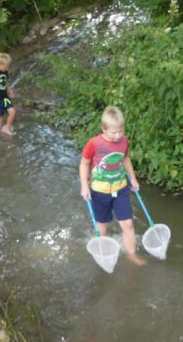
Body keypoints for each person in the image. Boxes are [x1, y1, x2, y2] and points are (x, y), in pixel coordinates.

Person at [79, 106, 145, 265]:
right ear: (104, 128)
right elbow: (84, 164)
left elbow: (126, 159)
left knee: (128, 224)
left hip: (120, 188)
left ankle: (132, 255)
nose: (118, 136)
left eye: (120, 131)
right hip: (100, 191)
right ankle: (102, 254)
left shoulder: (124, 141)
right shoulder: (93, 144)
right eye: (113, 132)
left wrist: (133, 179)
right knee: (103, 225)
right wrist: (84, 185)